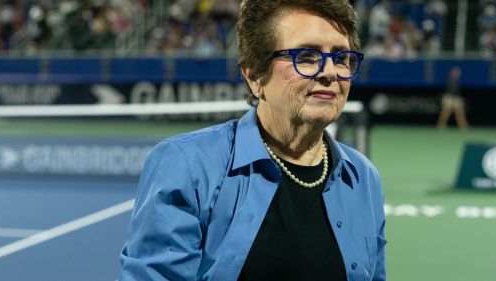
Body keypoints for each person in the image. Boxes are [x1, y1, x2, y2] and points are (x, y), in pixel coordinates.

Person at [119, 0, 387, 280]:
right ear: (254, 75)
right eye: (307, 56)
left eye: (342, 57)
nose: (330, 72)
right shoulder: (187, 165)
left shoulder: (363, 178)